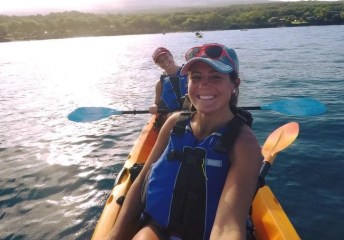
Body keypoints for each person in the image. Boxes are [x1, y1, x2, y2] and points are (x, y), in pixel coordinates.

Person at [104, 43, 262, 240]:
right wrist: (115, 235)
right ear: (188, 83)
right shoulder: (173, 123)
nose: (204, 85)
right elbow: (142, 179)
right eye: (196, 78)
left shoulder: (244, 144)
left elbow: (228, 227)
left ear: (234, 84)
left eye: (215, 77)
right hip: (157, 229)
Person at [149, 47, 188, 116]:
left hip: (192, 112)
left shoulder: (189, 72)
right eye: (160, 61)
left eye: (166, 57)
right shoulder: (160, 84)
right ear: (158, 65)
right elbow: (156, 103)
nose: (164, 62)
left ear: (171, 56)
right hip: (171, 116)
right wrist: (154, 106)